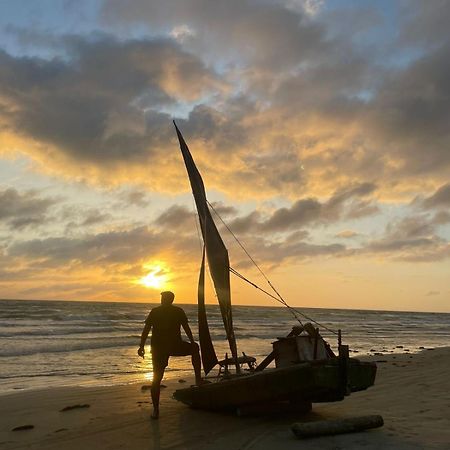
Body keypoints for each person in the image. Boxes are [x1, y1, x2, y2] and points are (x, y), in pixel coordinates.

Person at [138, 291, 203, 419]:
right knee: (156, 379)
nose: (162, 300)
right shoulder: (165, 311)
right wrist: (141, 346)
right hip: (164, 348)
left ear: (169, 300)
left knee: (157, 379)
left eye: (163, 298)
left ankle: (197, 380)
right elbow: (146, 330)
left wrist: (141, 346)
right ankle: (156, 409)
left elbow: (185, 327)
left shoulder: (163, 311)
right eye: (162, 298)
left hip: (167, 347)